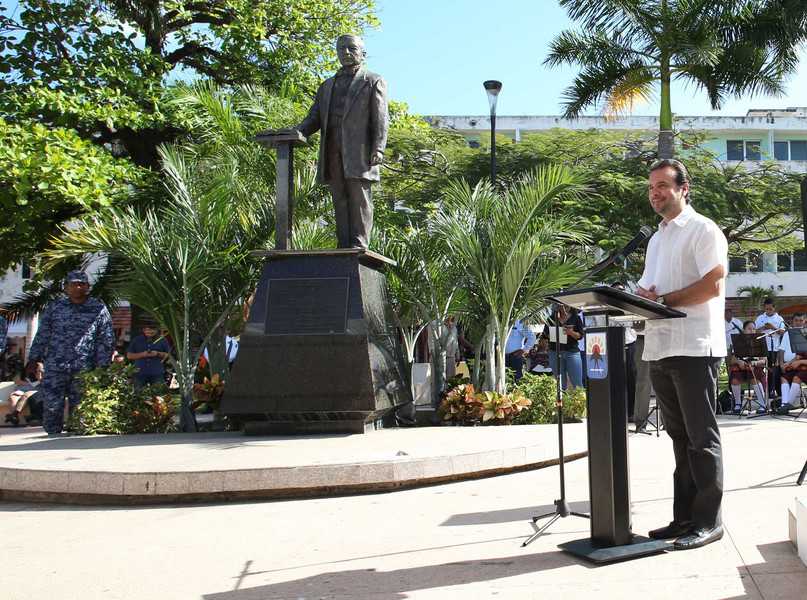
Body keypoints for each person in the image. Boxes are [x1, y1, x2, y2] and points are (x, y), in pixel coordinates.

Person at [637, 159, 728, 551]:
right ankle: (684, 518)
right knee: (679, 439)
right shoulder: (656, 239)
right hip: (660, 348)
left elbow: (713, 284)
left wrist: (664, 301)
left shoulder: (703, 230)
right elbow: (648, 290)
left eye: (662, 186)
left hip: (693, 348)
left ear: (683, 188)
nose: (655, 193)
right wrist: (639, 301)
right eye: (651, 188)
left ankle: (709, 522)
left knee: (700, 438)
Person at [292, 34, 388, 249]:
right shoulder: (326, 86)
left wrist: (378, 148)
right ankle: (343, 244)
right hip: (332, 149)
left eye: (351, 48)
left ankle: (359, 242)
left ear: (362, 54)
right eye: (341, 48)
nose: (345, 52)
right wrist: (297, 131)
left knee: (359, 198)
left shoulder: (373, 81)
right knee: (339, 198)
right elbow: (314, 117)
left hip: (359, 151)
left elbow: (380, 118)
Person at [27, 270, 115, 436]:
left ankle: (76, 439)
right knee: (52, 406)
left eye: (82, 284)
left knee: (80, 408)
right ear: (66, 287)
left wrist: (102, 366)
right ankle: (52, 438)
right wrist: (33, 359)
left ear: (88, 287)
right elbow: (43, 333)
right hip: (55, 365)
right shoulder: (55, 307)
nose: (78, 287)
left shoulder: (98, 308)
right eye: (74, 284)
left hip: (84, 367)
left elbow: (106, 339)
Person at [728, 321, 767, 414]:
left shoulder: (759, 340)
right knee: (734, 377)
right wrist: (738, 361)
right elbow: (732, 360)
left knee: (754, 377)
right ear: (744, 330)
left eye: (753, 329)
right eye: (749, 329)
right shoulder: (738, 341)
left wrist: (755, 362)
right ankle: (738, 404)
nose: (752, 331)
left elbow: (764, 360)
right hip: (742, 366)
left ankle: (763, 404)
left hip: (754, 366)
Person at [543, 304, 584, 389]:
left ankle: (580, 401)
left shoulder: (575, 318)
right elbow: (544, 336)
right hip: (554, 352)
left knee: (577, 382)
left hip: (572, 352)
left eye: (566, 306)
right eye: (561, 305)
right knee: (559, 383)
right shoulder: (551, 318)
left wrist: (570, 332)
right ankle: (561, 401)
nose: (564, 307)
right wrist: (550, 336)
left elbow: (580, 336)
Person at [754, 298, 786, 402]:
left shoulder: (779, 318)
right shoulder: (760, 318)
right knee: (762, 370)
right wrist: (763, 327)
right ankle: (764, 391)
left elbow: (782, 332)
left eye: (770, 309)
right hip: (762, 347)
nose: (768, 311)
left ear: (774, 308)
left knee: (773, 370)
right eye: (766, 309)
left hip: (774, 348)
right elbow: (755, 331)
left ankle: (774, 391)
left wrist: (772, 327)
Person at [126, 321, 171, 387]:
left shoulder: (162, 340)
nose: (150, 332)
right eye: (148, 330)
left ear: (157, 330)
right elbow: (129, 356)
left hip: (157, 372)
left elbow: (169, 355)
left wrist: (157, 353)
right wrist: (143, 354)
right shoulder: (136, 340)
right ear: (143, 330)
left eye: (153, 330)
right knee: (137, 394)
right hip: (139, 373)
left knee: (159, 394)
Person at [779, 312, 807, 411]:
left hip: (802, 365)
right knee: (784, 377)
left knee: (796, 377)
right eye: (796, 320)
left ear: (805, 321)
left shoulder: (805, 334)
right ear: (792, 321)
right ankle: (784, 404)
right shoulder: (788, 333)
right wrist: (782, 363)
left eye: (801, 320)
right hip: (794, 364)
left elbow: (799, 356)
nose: (798, 323)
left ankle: (788, 404)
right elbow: (782, 350)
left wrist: (792, 362)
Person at [4, 360, 44, 426]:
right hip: (22, 390)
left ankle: (15, 414)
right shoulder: (23, 376)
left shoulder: (42, 374)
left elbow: (43, 382)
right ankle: (14, 417)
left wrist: (39, 374)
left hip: (34, 391)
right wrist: (25, 382)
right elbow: (16, 380)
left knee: (25, 395)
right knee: (13, 397)